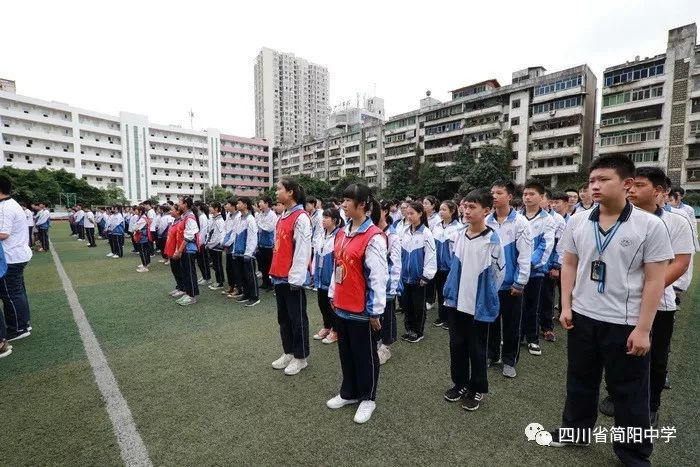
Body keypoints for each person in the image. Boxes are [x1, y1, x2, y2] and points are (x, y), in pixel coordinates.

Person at [547, 154, 673, 467]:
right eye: (592, 181)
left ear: (627, 184)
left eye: (604, 179)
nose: (595, 186)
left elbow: (656, 280)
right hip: (584, 317)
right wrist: (566, 305)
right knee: (580, 380)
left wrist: (643, 328)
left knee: (629, 392)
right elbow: (570, 263)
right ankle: (575, 431)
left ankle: (632, 454)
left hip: (625, 322)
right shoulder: (577, 220)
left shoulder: (650, 226)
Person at [598, 167, 693, 428]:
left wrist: (648, 288)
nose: (631, 190)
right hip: (619, 302)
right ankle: (615, 394)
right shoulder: (617, 219)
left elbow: (681, 262)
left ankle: (651, 404)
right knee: (618, 351)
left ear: (659, 191)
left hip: (658, 304)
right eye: (630, 185)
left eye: (639, 185)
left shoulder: (676, 222)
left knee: (655, 356)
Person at [326, 183, 387, 424]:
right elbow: (337, 265)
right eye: (343, 199)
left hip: (362, 309)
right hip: (342, 304)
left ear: (362, 204)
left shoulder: (373, 237)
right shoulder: (342, 233)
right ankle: (349, 392)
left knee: (365, 355)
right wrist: (333, 293)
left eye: (348, 200)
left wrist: (375, 310)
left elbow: (378, 276)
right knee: (347, 353)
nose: (343, 204)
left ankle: (368, 398)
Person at [443, 189, 505, 411]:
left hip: (478, 306)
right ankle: (460, 383)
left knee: (477, 348)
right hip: (456, 302)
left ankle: (477, 388)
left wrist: (485, 296)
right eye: (465, 206)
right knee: (456, 345)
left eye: (473, 207)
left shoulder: (493, 239)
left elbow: (499, 273)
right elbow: (454, 264)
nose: (466, 211)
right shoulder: (459, 234)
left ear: (486, 211)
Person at [486, 180, 532, 379]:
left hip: (511, 285)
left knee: (512, 325)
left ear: (510, 197)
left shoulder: (520, 222)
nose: (494, 196)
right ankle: (492, 355)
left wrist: (520, 281)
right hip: (490, 284)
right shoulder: (486, 220)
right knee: (491, 322)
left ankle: (509, 360)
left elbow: (525, 255)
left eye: (499, 193)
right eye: (492, 193)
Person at [269, 179, 313, 376]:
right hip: (279, 275)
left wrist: (296, 279)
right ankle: (288, 352)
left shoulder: (301, 218)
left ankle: (301, 357)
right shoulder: (283, 216)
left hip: (291, 279)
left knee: (297, 319)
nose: (276, 192)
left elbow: (303, 251)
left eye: (279, 189)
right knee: (283, 318)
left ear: (291, 192)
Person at [519, 180, 555, 356]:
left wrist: (528, 263)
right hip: (517, 271)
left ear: (541, 197)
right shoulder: (517, 216)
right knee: (517, 306)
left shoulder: (547, 220)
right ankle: (517, 336)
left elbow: (546, 246)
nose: (527, 197)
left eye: (531, 194)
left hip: (535, 271)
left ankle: (532, 338)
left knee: (533, 306)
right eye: (525, 194)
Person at [0, 175, 32, 345]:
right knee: (17, 292)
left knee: (10, 294)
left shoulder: (5, 207)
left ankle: (18, 328)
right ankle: (23, 323)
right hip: (16, 254)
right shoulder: (11, 204)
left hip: (10, 257)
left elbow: (3, 234)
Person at [399, 201, 437, 343]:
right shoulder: (404, 231)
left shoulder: (426, 233)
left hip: (418, 279)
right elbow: (400, 254)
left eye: (412, 213)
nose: (408, 216)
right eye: (407, 213)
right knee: (407, 305)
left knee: (418, 307)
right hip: (405, 277)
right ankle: (409, 329)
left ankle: (418, 331)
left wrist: (426, 276)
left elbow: (430, 256)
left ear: (420, 214)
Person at [312, 207, 344, 344]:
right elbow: (316, 254)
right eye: (323, 217)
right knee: (322, 303)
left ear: (335, 220)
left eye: (327, 217)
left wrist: (336, 280)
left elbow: (339, 261)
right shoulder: (321, 234)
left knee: (333, 305)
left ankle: (336, 330)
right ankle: (327, 326)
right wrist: (313, 272)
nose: (323, 220)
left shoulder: (339, 235)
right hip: (320, 277)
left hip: (331, 277)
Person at [431, 200, 463, 329]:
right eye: (441, 209)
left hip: (450, 267)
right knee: (440, 292)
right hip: (438, 266)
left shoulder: (458, 228)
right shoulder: (437, 226)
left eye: (444, 210)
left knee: (451, 292)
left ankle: (451, 319)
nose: (441, 212)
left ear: (452, 211)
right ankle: (442, 316)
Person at [376, 201, 401, 364]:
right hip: (374, 283)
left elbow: (395, 263)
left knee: (387, 314)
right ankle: (377, 342)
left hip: (387, 284)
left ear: (385, 212)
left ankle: (386, 346)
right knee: (375, 314)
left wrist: (391, 288)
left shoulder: (392, 235)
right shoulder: (373, 232)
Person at [540, 189, 566, 342]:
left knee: (547, 297)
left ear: (548, 201)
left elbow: (560, 246)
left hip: (548, 265)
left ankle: (547, 328)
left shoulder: (557, 220)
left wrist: (556, 266)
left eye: (541, 197)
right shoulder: (524, 216)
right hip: (531, 266)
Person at [232, 197, 259, 307]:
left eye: (239, 203)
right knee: (242, 275)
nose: (237, 205)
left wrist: (249, 252)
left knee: (250, 275)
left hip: (247, 253)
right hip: (238, 252)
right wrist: (234, 250)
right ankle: (246, 294)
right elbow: (235, 235)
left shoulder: (250, 219)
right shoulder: (239, 218)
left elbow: (252, 237)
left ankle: (255, 297)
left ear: (245, 205)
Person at [173, 198, 200, 306]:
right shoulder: (185, 216)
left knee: (189, 273)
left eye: (180, 202)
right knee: (185, 272)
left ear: (185, 204)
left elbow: (189, 236)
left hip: (189, 249)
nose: (178, 204)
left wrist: (179, 251)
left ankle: (192, 295)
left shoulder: (190, 217)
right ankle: (188, 292)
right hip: (184, 249)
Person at [255, 198, 277, 291]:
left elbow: (269, 228)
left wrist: (258, 223)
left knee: (269, 265)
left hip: (269, 244)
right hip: (261, 243)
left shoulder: (272, 215)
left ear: (267, 203)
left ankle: (271, 284)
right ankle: (265, 282)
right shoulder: (261, 214)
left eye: (261, 202)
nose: (259, 204)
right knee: (263, 265)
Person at [165, 205, 186, 298]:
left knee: (179, 270)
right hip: (171, 250)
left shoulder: (181, 222)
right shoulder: (175, 221)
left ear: (177, 212)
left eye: (172, 210)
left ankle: (183, 288)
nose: (170, 211)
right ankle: (179, 286)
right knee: (175, 270)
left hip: (176, 251)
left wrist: (177, 251)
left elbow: (180, 239)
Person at [206, 202, 226, 291]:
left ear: (216, 209)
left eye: (211, 207)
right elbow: (211, 232)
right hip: (213, 245)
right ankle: (219, 280)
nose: (209, 208)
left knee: (217, 265)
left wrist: (210, 244)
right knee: (216, 264)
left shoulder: (219, 221)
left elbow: (219, 236)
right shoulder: (214, 219)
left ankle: (220, 282)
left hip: (216, 246)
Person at [196, 202, 211, 286]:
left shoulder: (203, 217)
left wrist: (200, 242)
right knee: (200, 261)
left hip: (202, 242)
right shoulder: (200, 216)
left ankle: (207, 278)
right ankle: (204, 276)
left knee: (203, 261)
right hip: (200, 242)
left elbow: (203, 231)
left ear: (198, 207)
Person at [133, 206, 151, 272]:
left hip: (142, 238)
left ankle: (145, 267)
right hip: (144, 238)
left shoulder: (142, 219)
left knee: (142, 252)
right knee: (145, 251)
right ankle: (146, 263)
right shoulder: (142, 217)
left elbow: (136, 228)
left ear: (140, 211)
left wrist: (135, 229)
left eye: (136, 210)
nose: (135, 211)